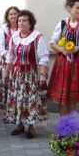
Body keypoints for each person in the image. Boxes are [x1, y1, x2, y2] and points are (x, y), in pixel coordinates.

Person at [47, 0, 79, 116]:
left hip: (77, 63)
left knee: (73, 97)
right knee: (63, 98)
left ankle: (71, 128)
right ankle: (64, 129)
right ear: (69, 8)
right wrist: (62, 50)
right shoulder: (62, 23)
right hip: (63, 63)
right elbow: (52, 42)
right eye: (77, 7)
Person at [5, 10, 49, 139]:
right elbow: (10, 56)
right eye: (19, 20)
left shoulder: (37, 37)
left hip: (30, 75)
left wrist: (42, 75)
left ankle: (31, 127)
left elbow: (44, 57)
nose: (21, 23)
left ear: (30, 23)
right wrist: (6, 71)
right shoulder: (14, 36)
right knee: (17, 99)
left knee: (30, 100)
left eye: (24, 20)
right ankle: (19, 125)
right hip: (16, 75)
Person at [0, 6, 20, 123]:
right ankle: (8, 113)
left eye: (15, 14)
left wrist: (16, 57)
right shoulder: (3, 30)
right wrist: (9, 56)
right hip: (5, 62)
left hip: (18, 63)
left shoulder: (23, 29)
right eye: (11, 14)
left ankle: (17, 113)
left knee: (16, 87)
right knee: (7, 88)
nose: (13, 16)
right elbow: (0, 47)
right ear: (7, 16)